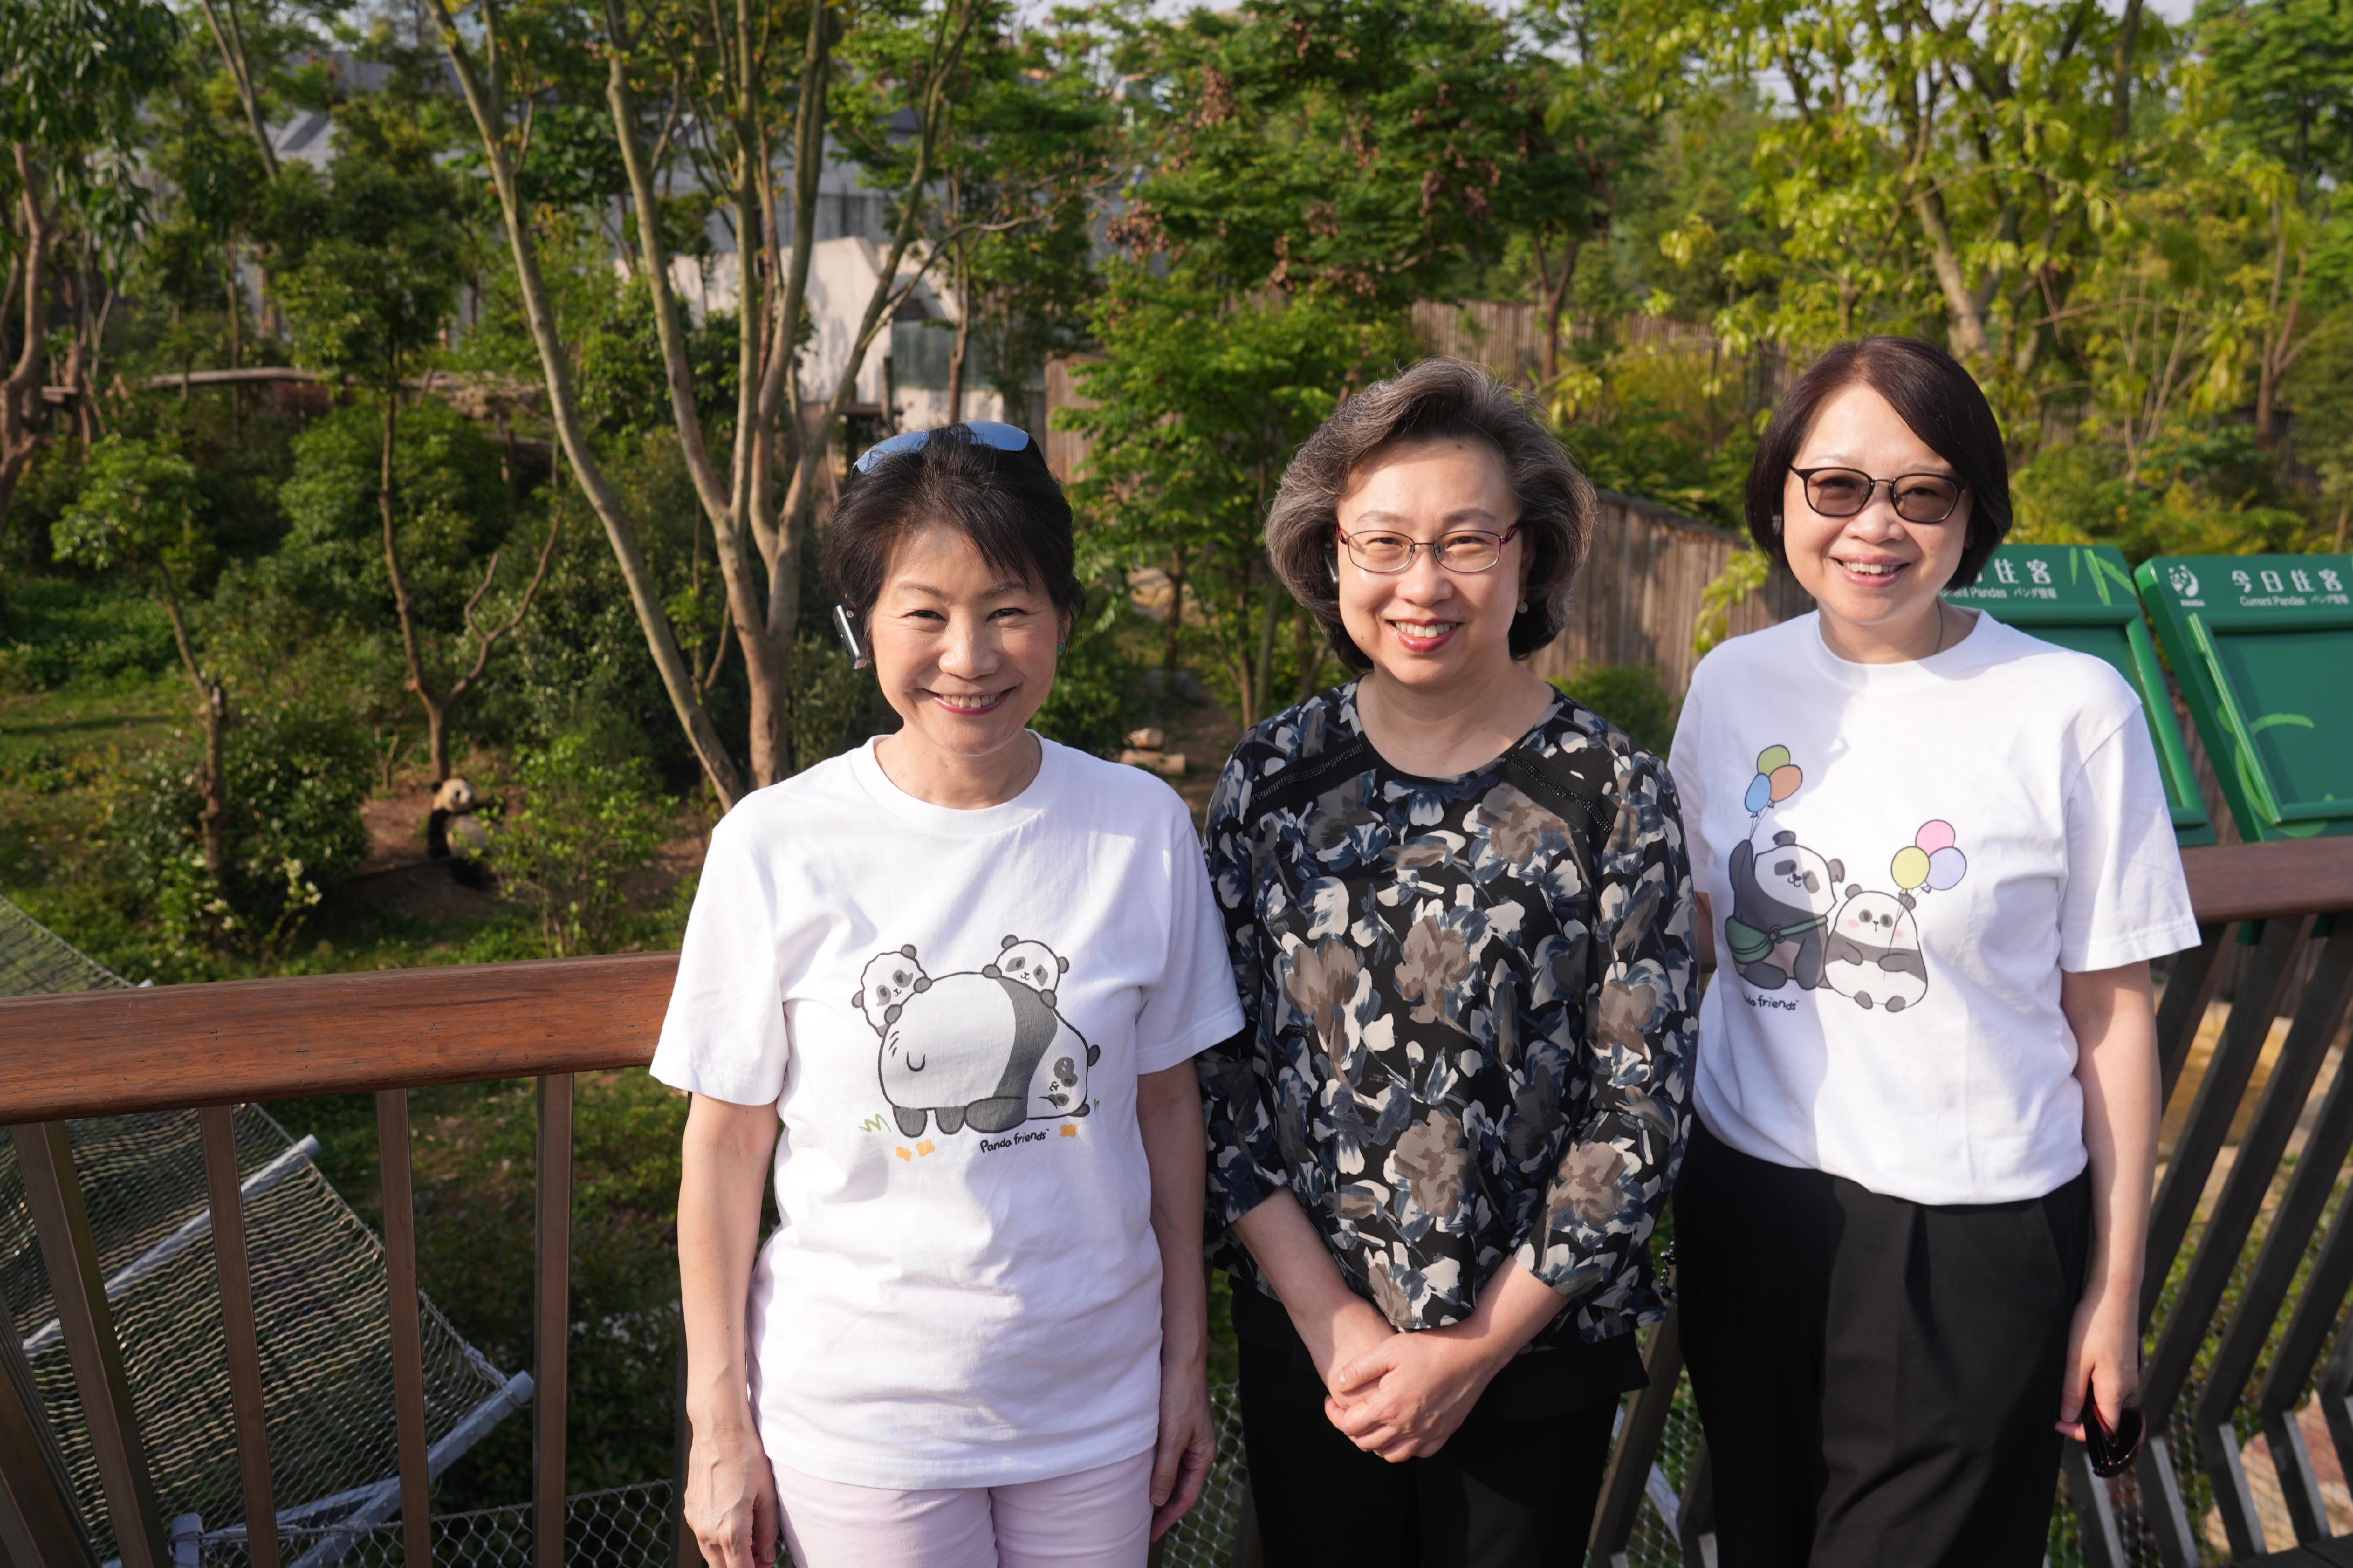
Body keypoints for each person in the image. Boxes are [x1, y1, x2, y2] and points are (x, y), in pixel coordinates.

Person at [654, 423, 1245, 1568]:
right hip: (864, 1415)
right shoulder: (774, 843)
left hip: (1095, 1399)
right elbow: (722, 1152)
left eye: (1008, 609)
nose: (967, 655)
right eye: (924, 612)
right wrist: (716, 1422)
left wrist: (1186, 1366)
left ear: (1063, 620)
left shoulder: (1140, 828)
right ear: (860, 625)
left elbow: (1167, 1111)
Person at [1668, 338, 2197, 1566]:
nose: (1874, 526)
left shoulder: (2068, 708)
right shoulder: (1730, 683)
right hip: (1750, 1199)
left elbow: (2113, 1016)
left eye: (1921, 491)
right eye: (1835, 485)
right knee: (1762, 1539)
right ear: (1781, 493)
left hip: (1970, 1233)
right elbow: (1699, 932)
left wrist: (2112, 1300)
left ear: (1972, 510)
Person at [1197, 358, 1697, 1566]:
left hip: (1530, 1352)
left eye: (1463, 542)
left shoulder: (1611, 791)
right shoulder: (1272, 779)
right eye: (1382, 543)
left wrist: (1473, 1348)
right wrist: (1328, 1319)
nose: (1421, 583)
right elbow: (1216, 1070)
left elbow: (1637, 1104)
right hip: (1319, 1349)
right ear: (1330, 559)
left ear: (1526, 558)